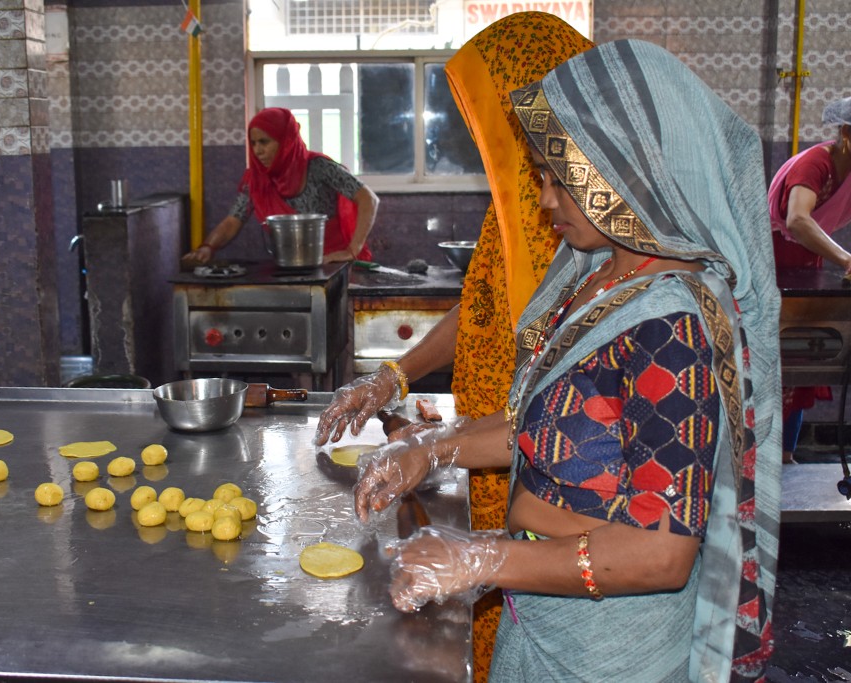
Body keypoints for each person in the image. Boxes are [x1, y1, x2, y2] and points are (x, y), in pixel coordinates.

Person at [351, 39, 781, 680]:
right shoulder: (599, 277)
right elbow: (543, 424)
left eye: (562, 180)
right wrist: (430, 449)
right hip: (544, 620)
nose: (546, 201)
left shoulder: (674, 325)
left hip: (607, 653)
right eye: (543, 178)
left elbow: (658, 554)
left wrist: (482, 559)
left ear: (627, 171)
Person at [313, 13, 593, 682]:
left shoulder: (586, 225)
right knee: (497, 640)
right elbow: (485, 309)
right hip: (496, 450)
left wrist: (439, 452)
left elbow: (643, 544)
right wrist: (393, 380)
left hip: (559, 490)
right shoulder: (526, 203)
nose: (484, 134)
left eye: (492, 112)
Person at [183, 107, 378, 265]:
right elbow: (234, 220)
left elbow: (368, 199)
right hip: (290, 266)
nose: (258, 150)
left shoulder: (318, 167)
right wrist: (208, 247)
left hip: (333, 264)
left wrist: (352, 250)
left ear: (286, 141)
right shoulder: (257, 180)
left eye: (264, 142)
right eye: (253, 143)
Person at [767, 95, 851, 463]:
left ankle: (786, 456)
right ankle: (764, 458)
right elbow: (798, 220)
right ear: (847, 135)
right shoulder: (817, 162)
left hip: (807, 265)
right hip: (773, 261)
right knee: (776, 361)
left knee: (804, 360)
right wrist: (847, 258)